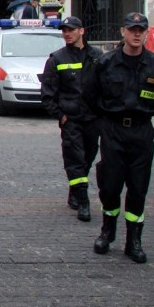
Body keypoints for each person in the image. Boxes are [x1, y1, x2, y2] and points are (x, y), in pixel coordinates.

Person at [82, 11, 154, 263]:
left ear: (146, 33)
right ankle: (107, 230)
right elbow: (90, 94)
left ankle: (134, 240)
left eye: (141, 30)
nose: (137, 34)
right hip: (113, 131)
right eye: (132, 29)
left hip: (141, 131)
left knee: (138, 188)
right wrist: (104, 122)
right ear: (123, 32)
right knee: (111, 186)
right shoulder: (106, 63)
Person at [39, 16, 99, 221]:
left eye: (71, 30)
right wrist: (61, 116)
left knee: (87, 159)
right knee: (75, 160)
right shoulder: (57, 58)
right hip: (71, 119)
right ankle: (83, 202)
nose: (67, 33)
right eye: (64, 30)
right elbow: (47, 93)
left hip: (92, 119)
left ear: (81, 31)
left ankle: (75, 192)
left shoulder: (97, 56)